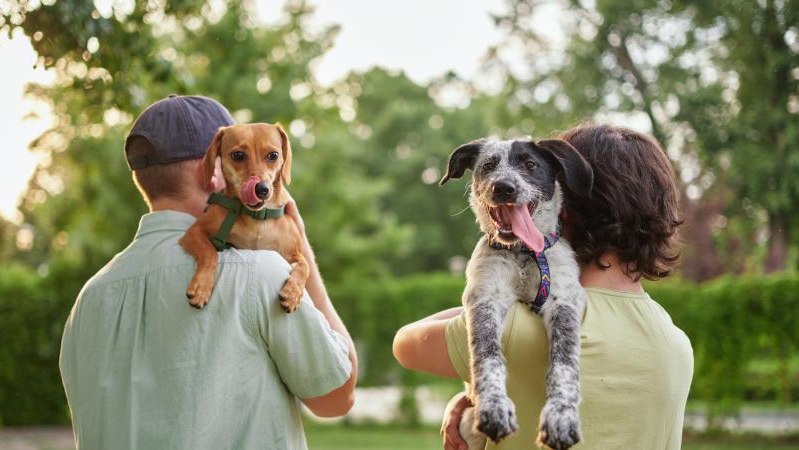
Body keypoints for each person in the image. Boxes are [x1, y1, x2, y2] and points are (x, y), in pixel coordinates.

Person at [59, 95, 357, 450]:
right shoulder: (261, 275)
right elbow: (337, 395)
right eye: (239, 156)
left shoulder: (89, 298)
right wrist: (301, 249)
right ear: (213, 172)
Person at [393, 124, 694, 449]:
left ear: (565, 204)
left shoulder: (515, 330)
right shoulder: (675, 343)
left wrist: (470, 392)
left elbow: (406, 344)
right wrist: (471, 396)